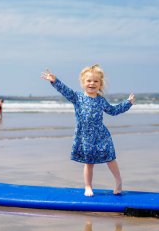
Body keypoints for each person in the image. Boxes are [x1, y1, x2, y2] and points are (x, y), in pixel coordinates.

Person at [41, 64, 135, 197]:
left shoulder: (101, 100)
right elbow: (65, 90)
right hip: (85, 136)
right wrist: (54, 80)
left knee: (110, 158)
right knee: (89, 163)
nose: (92, 83)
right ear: (83, 83)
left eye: (96, 81)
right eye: (89, 81)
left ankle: (118, 181)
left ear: (100, 84)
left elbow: (113, 111)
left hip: (102, 135)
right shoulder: (77, 97)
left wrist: (128, 103)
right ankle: (88, 186)